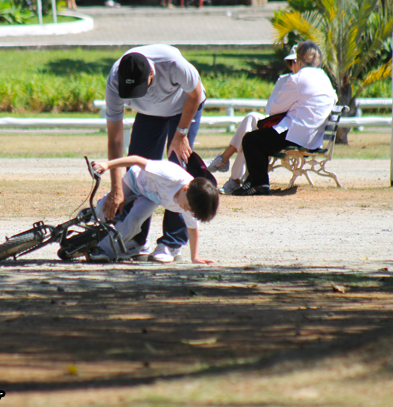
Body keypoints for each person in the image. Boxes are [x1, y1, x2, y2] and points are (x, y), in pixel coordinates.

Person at [104, 44, 206, 263]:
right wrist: (116, 189)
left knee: (178, 171)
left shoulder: (172, 63)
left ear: (152, 73)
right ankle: (135, 241)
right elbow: (115, 139)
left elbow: (195, 93)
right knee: (136, 174)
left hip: (184, 108)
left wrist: (181, 133)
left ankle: (172, 242)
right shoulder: (115, 78)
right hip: (149, 114)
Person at [232, 41, 337, 196]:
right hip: (315, 136)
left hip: (296, 136)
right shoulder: (324, 77)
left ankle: (259, 183)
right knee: (259, 138)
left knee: (251, 139)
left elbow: (274, 109)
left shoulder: (297, 79)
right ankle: (253, 181)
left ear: (298, 61)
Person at [89, 155, 219, 264]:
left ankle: (104, 250)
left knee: (134, 221)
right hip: (135, 180)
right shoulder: (170, 177)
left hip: (150, 197)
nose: (184, 210)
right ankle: (92, 214)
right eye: (185, 206)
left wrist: (194, 257)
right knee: (104, 209)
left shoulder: (190, 200)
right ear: (185, 189)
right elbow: (136, 160)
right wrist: (106, 164)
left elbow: (192, 228)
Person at [207, 45, 299, 194]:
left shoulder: (304, 82)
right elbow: (271, 108)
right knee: (251, 118)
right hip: (276, 122)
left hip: (286, 127)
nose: (294, 65)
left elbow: (281, 108)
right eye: (292, 62)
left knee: (250, 135)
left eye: (296, 61)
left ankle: (228, 166)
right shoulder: (284, 80)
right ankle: (233, 177)